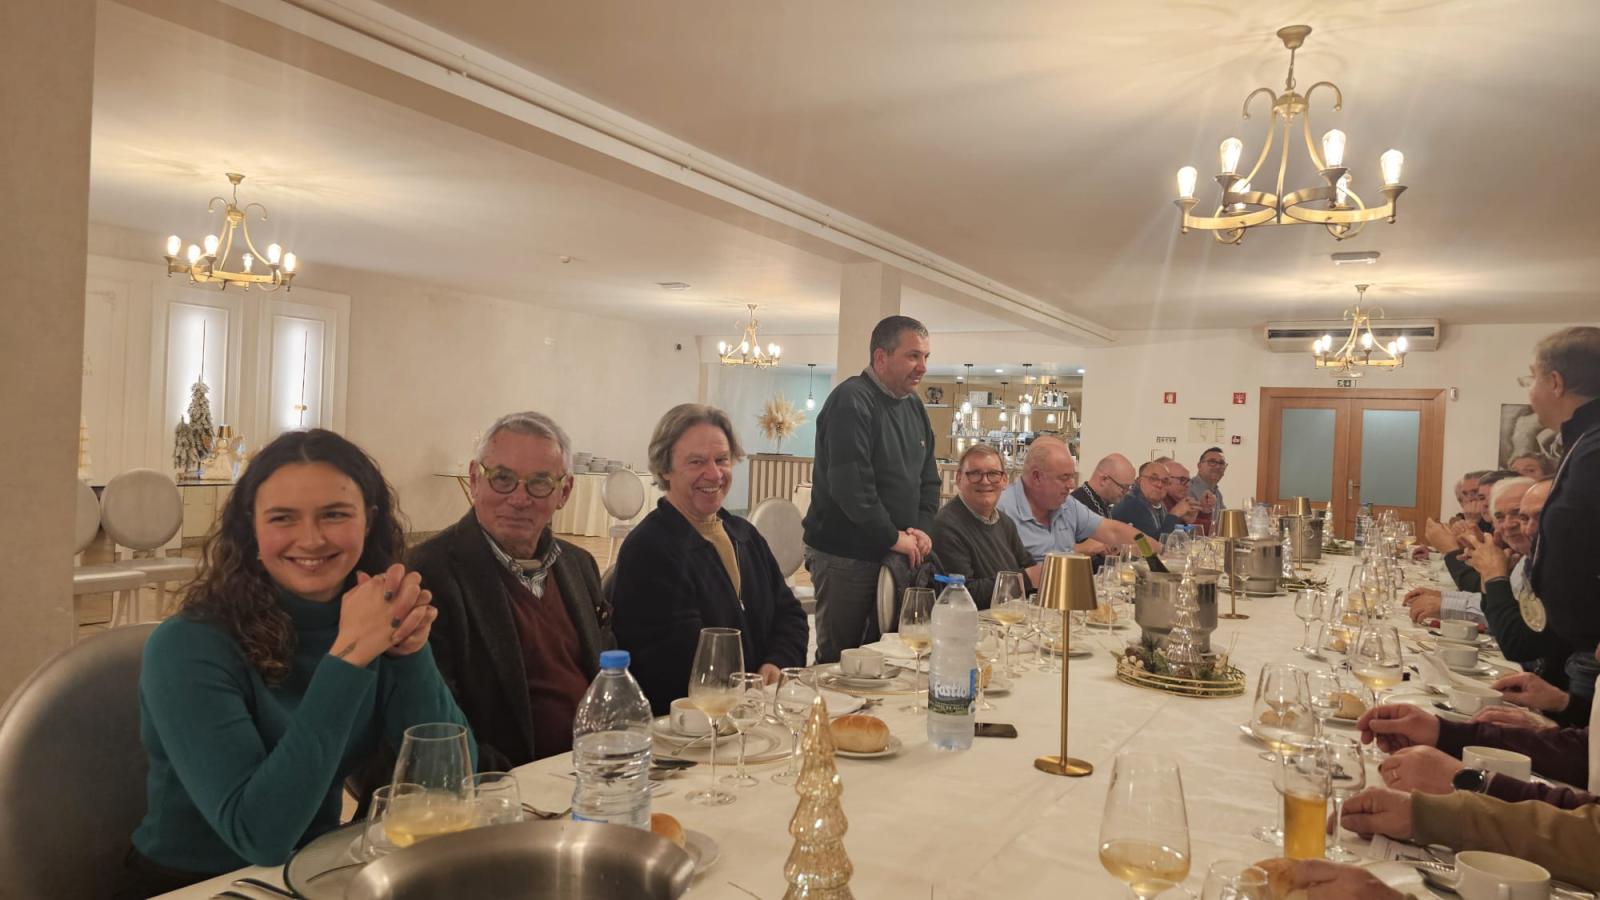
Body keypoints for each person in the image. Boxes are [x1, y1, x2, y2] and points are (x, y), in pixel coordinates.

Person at [120, 430, 471, 898]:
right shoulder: (187, 646)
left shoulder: (371, 615)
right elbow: (261, 836)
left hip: (314, 871)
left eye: (335, 514)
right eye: (283, 517)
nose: (311, 539)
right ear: (251, 527)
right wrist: (350, 657)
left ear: (368, 520)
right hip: (197, 886)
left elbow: (450, 782)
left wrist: (409, 653)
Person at [410, 412, 611, 770]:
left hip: (598, 767)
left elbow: (607, 674)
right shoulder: (430, 574)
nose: (519, 499)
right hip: (510, 782)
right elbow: (435, 720)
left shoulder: (579, 565)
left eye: (539, 483)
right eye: (502, 479)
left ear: (564, 492)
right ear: (475, 479)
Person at [612, 404, 809, 714]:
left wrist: (776, 662)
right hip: (693, 725)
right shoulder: (649, 550)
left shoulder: (744, 535)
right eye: (696, 462)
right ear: (665, 468)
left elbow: (790, 615)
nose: (714, 474)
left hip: (756, 712)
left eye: (722, 460)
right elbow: (677, 662)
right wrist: (750, 685)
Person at [803, 315, 940, 663]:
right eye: (913, 356)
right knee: (842, 660)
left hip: (897, 552)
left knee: (887, 657)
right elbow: (852, 487)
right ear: (881, 357)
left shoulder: (914, 406)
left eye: (925, 356)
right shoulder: (851, 400)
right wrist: (893, 537)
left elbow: (929, 479)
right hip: (846, 556)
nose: (922, 367)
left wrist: (923, 529)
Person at [1527, 326, 1600, 650]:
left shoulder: (1594, 449)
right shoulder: (1583, 441)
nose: (1530, 393)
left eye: (1532, 379)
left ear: (1555, 382)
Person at [1404, 477, 1533, 626]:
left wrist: (1451, 550)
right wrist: (1443, 597)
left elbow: (1513, 619)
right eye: (1500, 516)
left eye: (1519, 514)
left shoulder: (1538, 558)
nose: (1482, 503)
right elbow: (1495, 601)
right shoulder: (1523, 555)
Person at [995, 436, 1140, 562]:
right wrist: (1075, 553)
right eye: (1064, 478)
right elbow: (1005, 575)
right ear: (1036, 476)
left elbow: (1114, 531)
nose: (1071, 485)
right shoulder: (1001, 511)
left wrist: (1151, 552)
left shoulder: (1067, 504)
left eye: (1072, 477)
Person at [932, 444, 1041, 606]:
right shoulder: (946, 526)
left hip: (1012, 617)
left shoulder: (1005, 523)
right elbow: (961, 594)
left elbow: (1029, 567)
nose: (985, 481)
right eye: (975, 473)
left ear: (1004, 480)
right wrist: (1026, 579)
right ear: (959, 479)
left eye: (993, 474)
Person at [1111, 460, 1188, 539]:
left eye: (1165, 481)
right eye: (1153, 478)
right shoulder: (1132, 504)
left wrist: (1186, 520)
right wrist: (1174, 514)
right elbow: (1153, 543)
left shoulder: (1158, 503)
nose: (1159, 484)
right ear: (1139, 481)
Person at [1189, 447, 1227, 532]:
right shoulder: (1188, 489)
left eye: (1222, 463)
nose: (1218, 466)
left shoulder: (1217, 494)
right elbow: (1189, 527)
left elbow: (1225, 521)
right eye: (1212, 462)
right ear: (1199, 466)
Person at [1162, 459, 1202, 525]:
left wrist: (1189, 521)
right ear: (1167, 479)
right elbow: (1163, 529)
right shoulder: (1159, 502)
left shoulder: (1179, 502)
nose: (1188, 485)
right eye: (1182, 480)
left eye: (1188, 481)